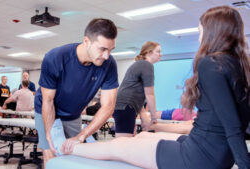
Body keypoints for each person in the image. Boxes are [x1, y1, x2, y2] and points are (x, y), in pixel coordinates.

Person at [58, 6, 250, 169]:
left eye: (201, 32)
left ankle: (68, 146)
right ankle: (77, 143)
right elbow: (238, 123)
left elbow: (231, 125)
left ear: (213, 33)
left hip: (202, 156)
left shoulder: (211, 64)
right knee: (141, 137)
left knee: (117, 146)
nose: (200, 39)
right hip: (214, 151)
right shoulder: (239, 65)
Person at [34, 18, 118, 167]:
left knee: (75, 155)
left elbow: (108, 106)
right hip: (47, 109)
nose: (107, 55)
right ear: (86, 41)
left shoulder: (109, 64)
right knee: (52, 155)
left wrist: (81, 136)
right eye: (103, 49)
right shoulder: (55, 57)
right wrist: (49, 135)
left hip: (73, 114)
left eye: (111, 50)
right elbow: (48, 101)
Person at [113, 41, 161, 137]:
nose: (161, 54)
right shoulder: (147, 65)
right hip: (126, 107)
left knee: (127, 140)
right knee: (123, 143)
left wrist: (144, 116)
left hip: (124, 107)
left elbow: (136, 93)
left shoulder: (140, 64)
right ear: (149, 52)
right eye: (158, 51)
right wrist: (154, 117)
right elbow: (149, 94)